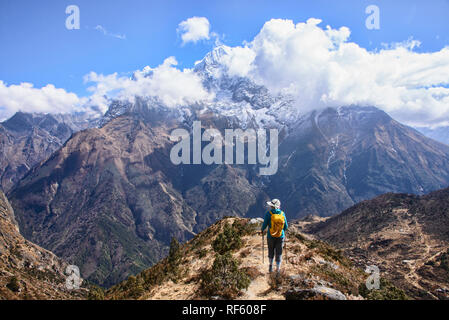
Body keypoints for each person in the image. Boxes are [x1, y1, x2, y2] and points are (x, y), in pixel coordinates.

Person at [260, 198, 288, 273]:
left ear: (272, 206)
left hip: (270, 236)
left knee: (271, 250)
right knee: (279, 252)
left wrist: (262, 230)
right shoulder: (282, 214)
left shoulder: (269, 214)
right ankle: (278, 269)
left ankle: (270, 266)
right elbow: (286, 226)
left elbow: (264, 225)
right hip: (280, 236)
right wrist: (281, 231)